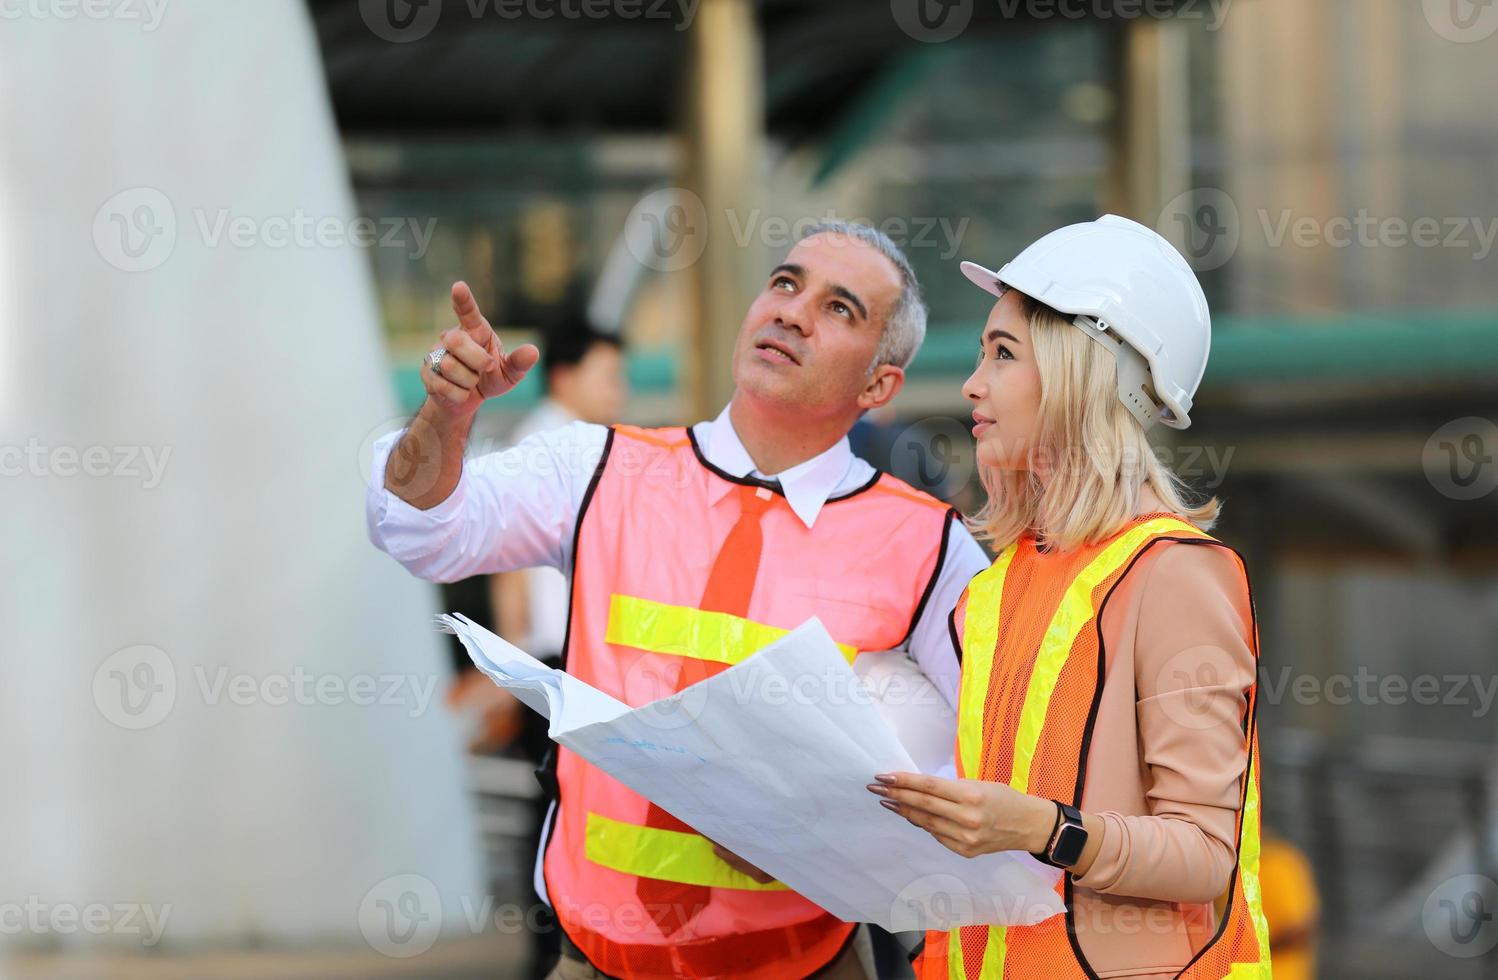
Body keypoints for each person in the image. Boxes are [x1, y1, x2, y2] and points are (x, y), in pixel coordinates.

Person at [366, 220, 991, 980]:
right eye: (786, 283)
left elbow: (989, 763)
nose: (793, 310)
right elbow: (419, 528)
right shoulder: (600, 465)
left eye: (839, 309)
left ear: (879, 386)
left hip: (805, 966)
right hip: (591, 963)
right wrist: (445, 418)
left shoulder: (927, 544)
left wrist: (834, 826)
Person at [869, 215, 1271, 978]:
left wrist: (1045, 829)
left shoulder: (1176, 575)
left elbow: (1204, 856)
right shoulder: (997, 587)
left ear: (1086, 372)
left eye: (1003, 354)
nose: (972, 383)